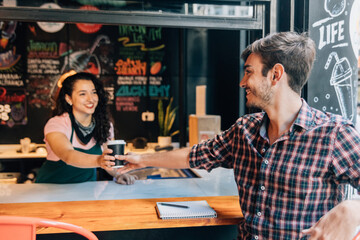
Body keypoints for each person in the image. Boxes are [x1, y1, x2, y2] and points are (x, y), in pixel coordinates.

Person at [113, 32, 360, 239]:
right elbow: (194, 155)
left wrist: (352, 209)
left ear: (275, 75)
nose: (242, 82)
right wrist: (141, 160)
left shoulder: (334, 134)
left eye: (249, 72)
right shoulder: (244, 130)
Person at [36, 71, 137, 185]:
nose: (91, 99)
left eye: (94, 93)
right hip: (51, 189)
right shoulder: (57, 123)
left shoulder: (105, 125)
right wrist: (99, 161)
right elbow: (67, 155)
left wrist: (119, 174)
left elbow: (109, 160)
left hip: (86, 189)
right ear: (69, 99)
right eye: (82, 94)